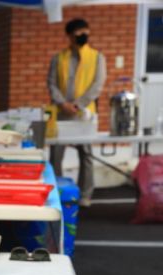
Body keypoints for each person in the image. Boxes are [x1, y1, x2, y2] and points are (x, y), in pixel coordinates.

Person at [47, 17, 106, 207]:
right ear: (70, 36)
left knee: (86, 154)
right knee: (56, 152)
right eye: (79, 33)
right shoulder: (59, 58)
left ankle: (85, 194)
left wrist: (79, 104)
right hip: (62, 112)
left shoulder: (97, 57)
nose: (83, 36)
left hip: (84, 113)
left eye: (86, 32)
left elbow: (97, 84)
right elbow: (52, 83)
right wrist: (63, 103)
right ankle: (57, 189)